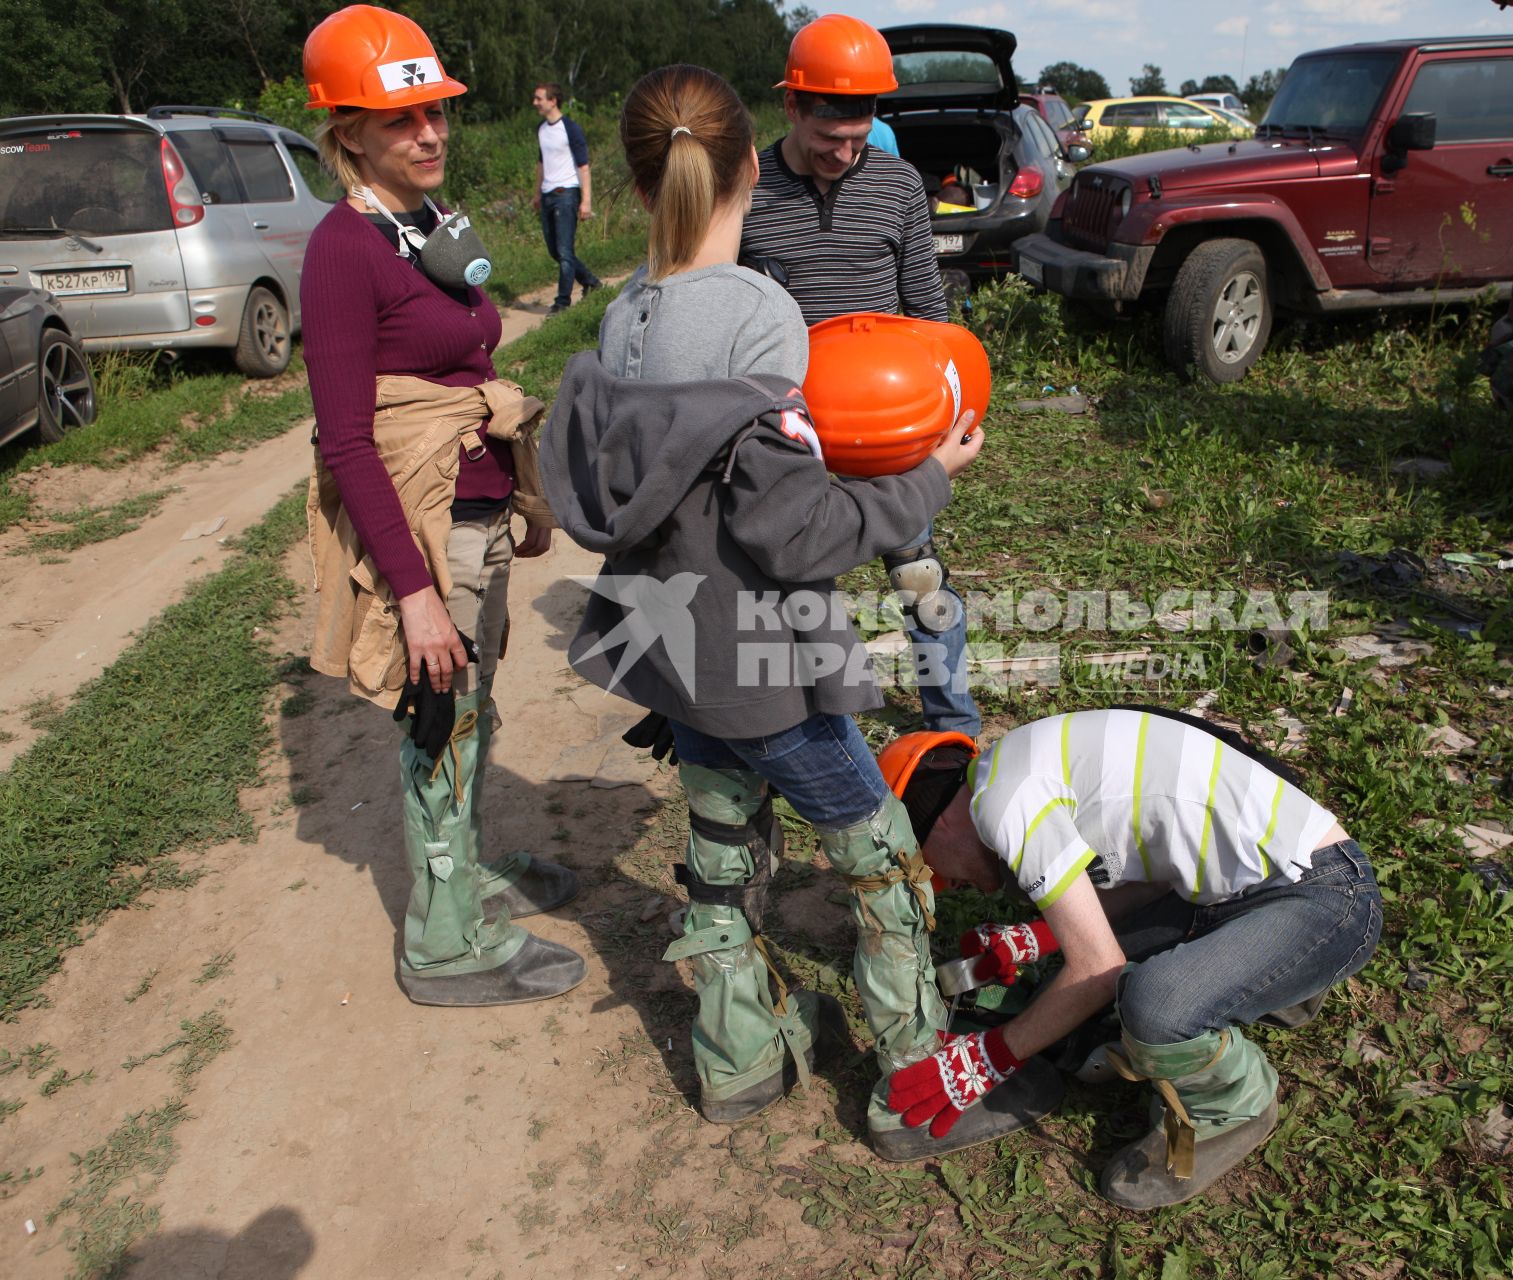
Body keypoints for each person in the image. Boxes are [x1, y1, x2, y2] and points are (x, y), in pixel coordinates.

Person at [541, 63, 1062, 1154]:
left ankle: (736, 1060)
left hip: (673, 650)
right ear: (745, 165)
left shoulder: (627, 316)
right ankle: (915, 1089)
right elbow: (799, 533)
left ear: (640, 184)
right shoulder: (760, 317)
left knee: (724, 842)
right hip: (763, 659)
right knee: (877, 854)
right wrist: (928, 479)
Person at [299, 4, 584, 1007]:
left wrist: (524, 500)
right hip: (427, 536)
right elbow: (345, 441)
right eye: (401, 121)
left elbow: (466, 367)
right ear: (348, 135)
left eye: (435, 114)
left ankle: (464, 879)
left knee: (473, 709)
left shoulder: (419, 220)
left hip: (478, 514)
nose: (430, 134)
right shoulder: (343, 247)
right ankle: (442, 944)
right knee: (438, 718)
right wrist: (414, 594)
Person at [877, 706, 1383, 1208]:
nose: (944, 885)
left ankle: (1234, 1106)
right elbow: (1150, 882)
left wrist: (991, 1055)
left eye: (928, 869)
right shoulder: (1017, 768)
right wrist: (1039, 938)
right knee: (1095, 995)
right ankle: (1276, 979)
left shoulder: (1004, 802)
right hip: (1237, 889)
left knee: (1152, 1007)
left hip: (1326, 895)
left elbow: (1098, 969)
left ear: (936, 823)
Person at [741, 13, 980, 741]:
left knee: (921, 579)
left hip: (887, 425)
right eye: (826, 138)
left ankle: (953, 724)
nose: (844, 153)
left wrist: (951, 407)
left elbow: (928, 308)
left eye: (857, 136)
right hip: (791, 430)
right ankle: (811, 726)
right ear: (792, 105)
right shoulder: (746, 187)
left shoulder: (900, 185)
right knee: (798, 585)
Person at [533, 81, 604, 313]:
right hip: (547, 195)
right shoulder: (541, 130)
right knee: (556, 251)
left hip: (567, 194)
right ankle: (591, 283)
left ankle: (562, 302)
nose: (535, 103)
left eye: (539, 98)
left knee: (565, 252)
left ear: (553, 101)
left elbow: (584, 167)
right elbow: (541, 163)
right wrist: (536, 193)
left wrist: (586, 201)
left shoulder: (570, 128)